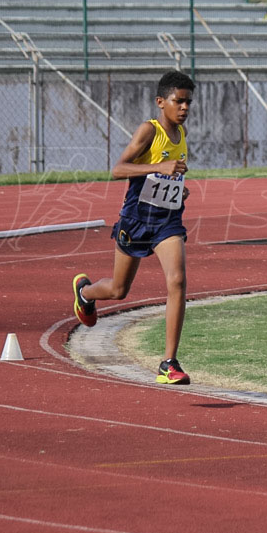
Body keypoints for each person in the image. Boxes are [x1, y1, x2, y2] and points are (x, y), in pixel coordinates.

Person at [72, 70, 195, 385]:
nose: (184, 108)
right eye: (178, 102)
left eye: (188, 103)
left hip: (167, 219)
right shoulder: (149, 131)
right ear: (160, 102)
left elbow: (168, 177)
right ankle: (85, 293)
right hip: (137, 219)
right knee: (118, 289)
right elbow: (118, 169)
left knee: (178, 280)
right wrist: (159, 166)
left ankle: (169, 363)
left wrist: (178, 188)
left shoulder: (182, 136)